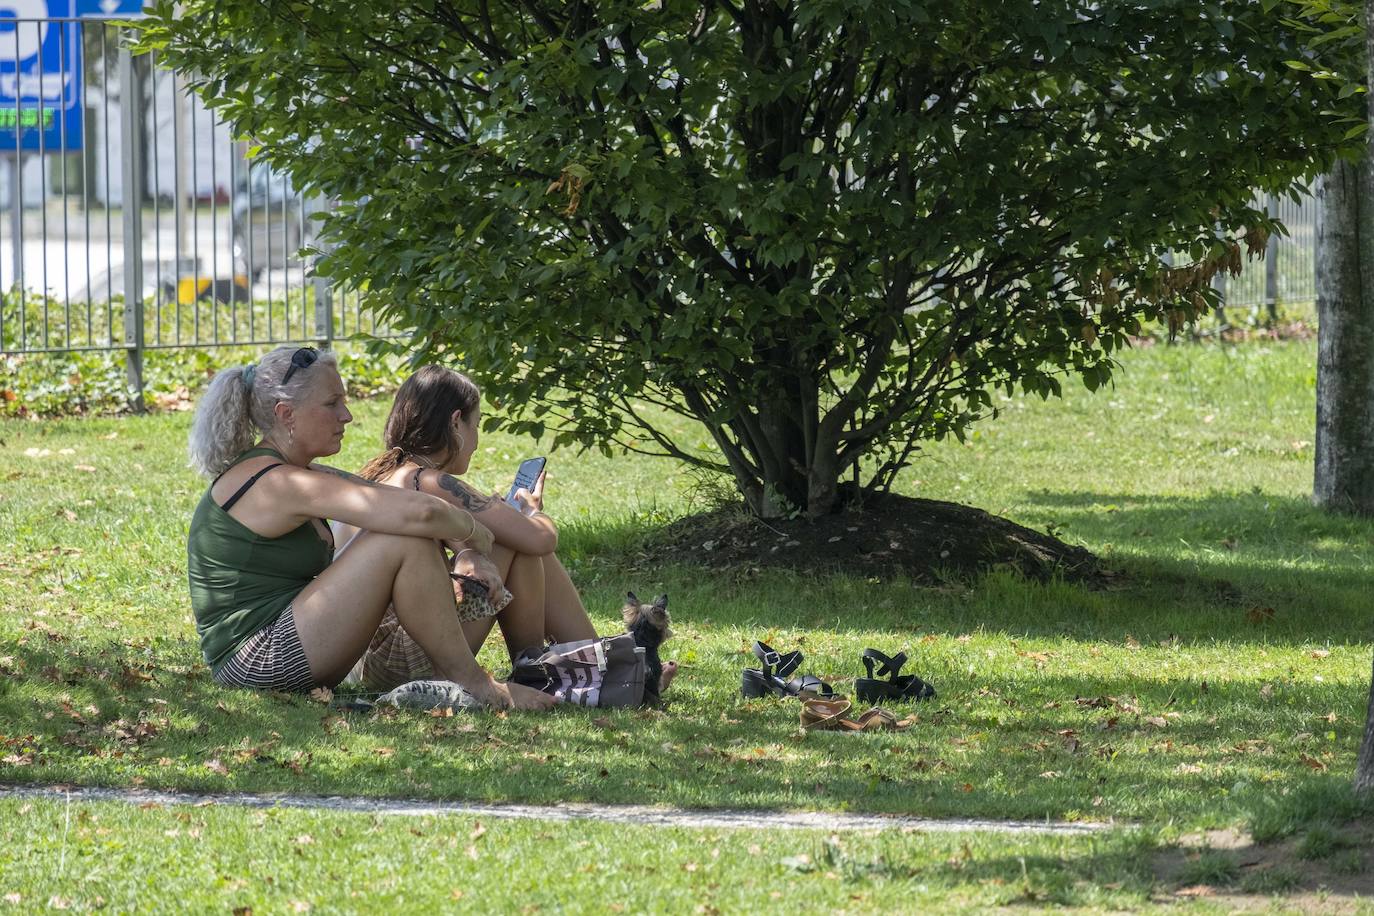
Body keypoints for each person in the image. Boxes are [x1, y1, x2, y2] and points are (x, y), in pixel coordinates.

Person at [185, 345, 555, 711]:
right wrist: (476, 532)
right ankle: (476, 685)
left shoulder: (293, 473)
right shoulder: (275, 482)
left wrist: (467, 550)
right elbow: (420, 514)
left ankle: (527, 669)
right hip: (258, 661)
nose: (346, 415)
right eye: (332, 404)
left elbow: (389, 501)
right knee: (398, 540)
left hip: (283, 644)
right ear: (287, 414)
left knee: (401, 531)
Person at [336, 365, 603, 666]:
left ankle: (583, 665)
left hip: (364, 653)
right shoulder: (428, 481)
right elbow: (541, 539)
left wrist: (469, 549)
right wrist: (532, 512)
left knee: (510, 537)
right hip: (403, 656)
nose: (477, 439)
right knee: (517, 541)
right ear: (455, 423)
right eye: (475, 424)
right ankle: (562, 669)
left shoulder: (385, 473)